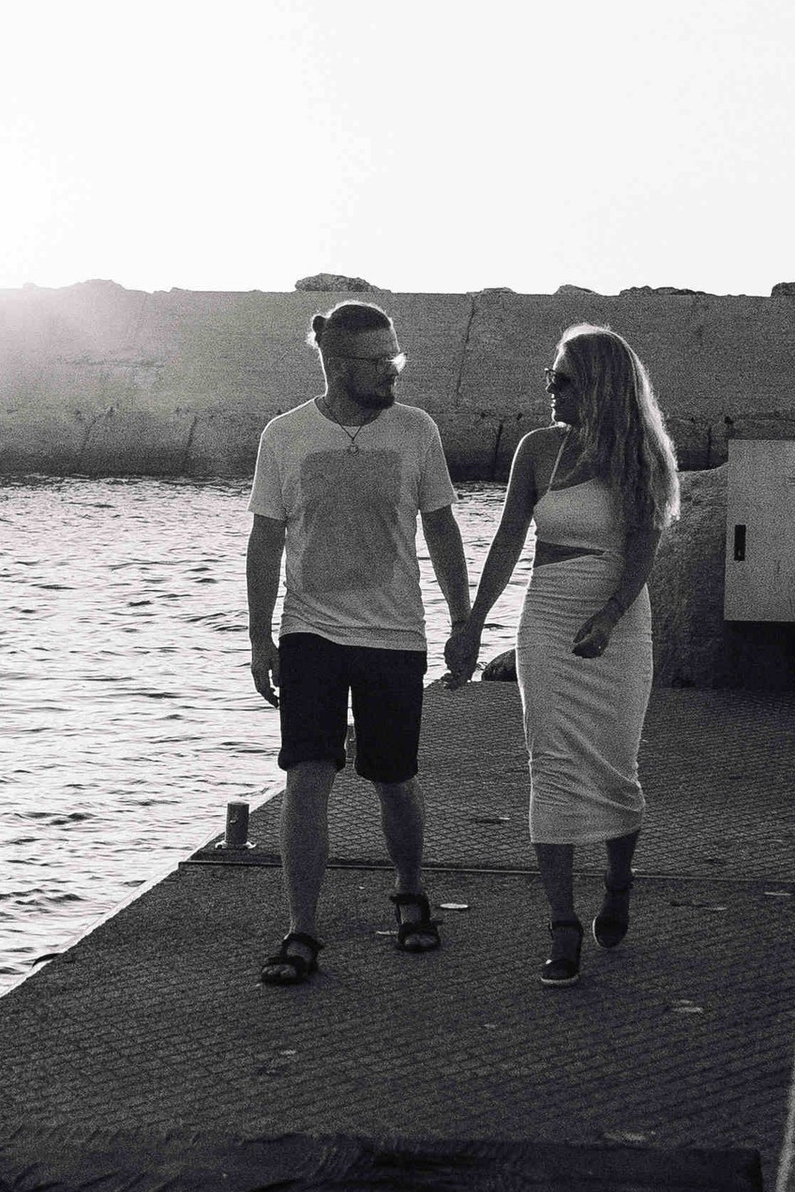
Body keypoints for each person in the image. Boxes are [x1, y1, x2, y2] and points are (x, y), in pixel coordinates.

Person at [245, 299, 471, 987]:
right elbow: (265, 541)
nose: (394, 372)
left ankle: (408, 892)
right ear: (341, 366)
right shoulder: (284, 436)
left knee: (393, 779)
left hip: (393, 634)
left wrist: (465, 622)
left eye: (395, 358)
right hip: (309, 630)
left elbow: (441, 529)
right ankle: (301, 931)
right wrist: (260, 640)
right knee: (306, 778)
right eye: (381, 362)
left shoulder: (416, 431)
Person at [446, 325, 678, 984]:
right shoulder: (535, 450)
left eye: (565, 378)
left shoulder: (641, 456)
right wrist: (472, 622)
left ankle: (619, 880)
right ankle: (562, 924)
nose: (550, 386)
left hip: (619, 619)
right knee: (548, 763)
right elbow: (508, 543)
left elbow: (642, 551)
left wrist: (608, 616)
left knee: (614, 767)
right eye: (552, 374)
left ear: (601, 386)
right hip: (546, 616)